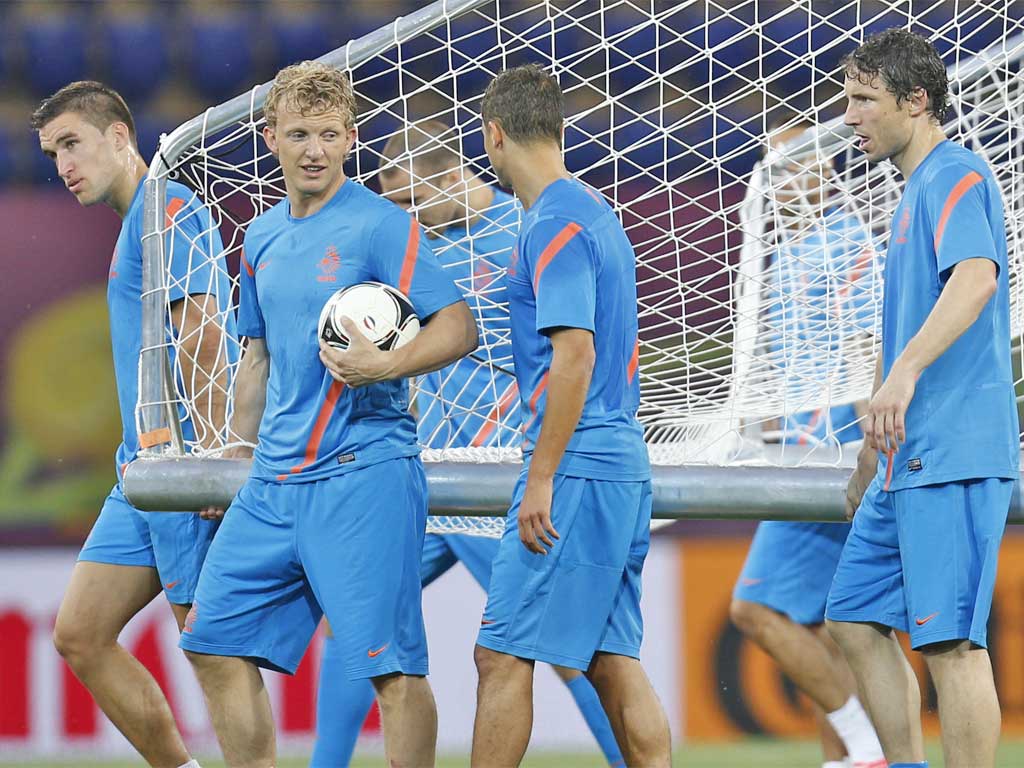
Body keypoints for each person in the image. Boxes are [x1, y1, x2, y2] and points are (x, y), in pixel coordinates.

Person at [178, 61, 478, 768]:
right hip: (274, 483)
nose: (313, 148)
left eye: (328, 135)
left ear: (350, 139)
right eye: (298, 134)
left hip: (362, 473)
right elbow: (255, 358)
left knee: (392, 670)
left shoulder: (380, 225)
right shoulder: (259, 237)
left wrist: (385, 365)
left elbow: (460, 326)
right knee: (210, 643)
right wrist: (235, 448)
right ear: (270, 137)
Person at [309, 118, 625, 767]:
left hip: (504, 473)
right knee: (354, 624)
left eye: (409, 199)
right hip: (430, 476)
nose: (402, 215)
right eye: (391, 203)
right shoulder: (410, 248)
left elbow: (573, 351)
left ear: (451, 177)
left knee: (566, 649)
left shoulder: (526, 229)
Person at [825, 28, 1018, 768]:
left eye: (863, 100)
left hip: (955, 449)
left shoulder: (957, 173)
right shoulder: (912, 193)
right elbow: (902, 334)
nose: (848, 116)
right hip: (907, 459)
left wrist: (903, 375)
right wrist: (866, 464)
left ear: (916, 101)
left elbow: (976, 279)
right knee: (851, 617)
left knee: (952, 645)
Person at [471, 64, 671, 767]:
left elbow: (575, 355)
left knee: (499, 657)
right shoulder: (595, 212)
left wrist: (542, 475)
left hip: (579, 463)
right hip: (617, 457)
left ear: (493, 135)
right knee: (613, 661)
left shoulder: (552, 221)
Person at [32, 81, 232, 768]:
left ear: (120, 137)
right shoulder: (136, 222)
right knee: (80, 635)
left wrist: (208, 457)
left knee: (211, 652)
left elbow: (202, 335)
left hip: (181, 467)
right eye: (53, 152)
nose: (63, 166)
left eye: (72, 144)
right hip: (140, 472)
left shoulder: (169, 209)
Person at [730, 116, 885, 768]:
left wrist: (873, 456)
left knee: (754, 609)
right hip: (803, 456)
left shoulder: (845, 245)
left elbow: (866, 354)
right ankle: (854, 758)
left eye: (792, 168)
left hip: (834, 462)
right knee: (834, 631)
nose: (779, 184)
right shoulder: (787, 256)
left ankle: (866, 740)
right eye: (771, 170)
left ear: (825, 171)